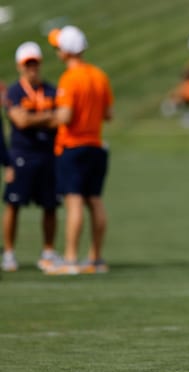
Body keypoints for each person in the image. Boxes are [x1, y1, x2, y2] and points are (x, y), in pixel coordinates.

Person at [46, 25, 113, 275]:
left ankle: (71, 258)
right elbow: (109, 113)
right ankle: (95, 258)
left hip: (73, 146)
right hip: (96, 145)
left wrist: (43, 118)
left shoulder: (69, 78)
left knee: (74, 202)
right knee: (94, 200)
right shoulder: (99, 75)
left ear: (66, 51)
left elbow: (65, 116)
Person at [2, 41, 61, 272]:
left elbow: (61, 119)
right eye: (28, 64)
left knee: (50, 206)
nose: (32, 68)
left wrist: (36, 118)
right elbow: (20, 120)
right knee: (13, 205)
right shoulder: (14, 92)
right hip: (21, 155)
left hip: (47, 155)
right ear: (20, 66)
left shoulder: (51, 90)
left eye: (35, 63)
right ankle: (9, 253)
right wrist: (47, 117)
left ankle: (48, 251)